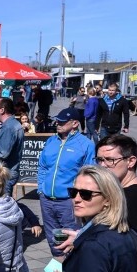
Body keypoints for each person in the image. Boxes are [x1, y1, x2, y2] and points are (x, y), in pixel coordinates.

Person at [37, 108, 95, 261]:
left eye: (63, 121)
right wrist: (41, 189)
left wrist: (78, 197)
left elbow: (90, 173)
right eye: (58, 120)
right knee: (53, 238)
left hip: (69, 201)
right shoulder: (51, 141)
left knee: (71, 237)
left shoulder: (86, 145)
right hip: (47, 199)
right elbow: (43, 166)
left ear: (75, 123)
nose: (58, 123)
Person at [95, 134, 137, 264]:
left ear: (131, 161)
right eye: (99, 160)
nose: (103, 165)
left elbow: (129, 248)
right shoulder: (119, 193)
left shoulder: (133, 199)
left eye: (110, 160)